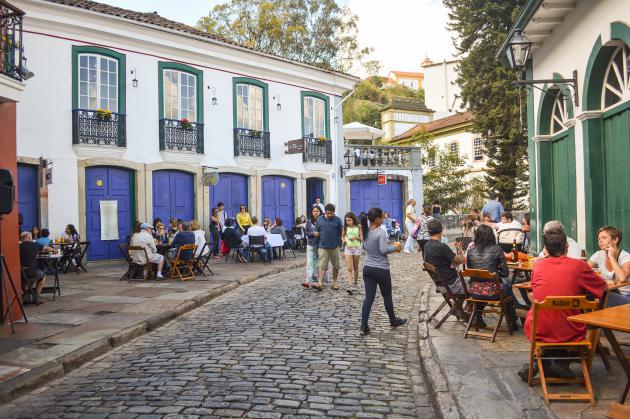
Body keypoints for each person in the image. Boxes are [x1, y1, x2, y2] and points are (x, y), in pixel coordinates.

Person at [518, 227, 607, 381]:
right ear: (567, 246)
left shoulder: (538, 266)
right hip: (572, 331)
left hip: (538, 329)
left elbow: (537, 289)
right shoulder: (579, 266)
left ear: (545, 249)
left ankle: (542, 363)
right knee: (569, 317)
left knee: (549, 317)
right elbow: (602, 287)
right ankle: (557, 362)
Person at [358, 208, 407, 336]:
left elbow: (365, 247)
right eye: (382, 217)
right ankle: (392, 320)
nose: (383, 219)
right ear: (377, 219)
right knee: (387, 296)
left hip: (368, 268)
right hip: (381, 269)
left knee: (369, 297)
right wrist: (396, 247)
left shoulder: (365, 231)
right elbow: (383, 250)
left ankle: (364, 325)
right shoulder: (381, 232)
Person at [465, 224, 518, 329]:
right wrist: (495, 271)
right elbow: (505, 273)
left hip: (474, 291)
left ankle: (478, 317)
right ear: (491, 236)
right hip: (493, 291)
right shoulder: (496, 249)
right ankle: (512, 321)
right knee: (508, 290)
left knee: (482, 285)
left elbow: (471, 269)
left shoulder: (470, 250)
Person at [423, 219, 468, 320]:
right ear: (441, 230)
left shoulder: (427, 246)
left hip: (440, 283)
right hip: (452, 284)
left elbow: (445, 261)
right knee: (475, 285)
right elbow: (462, 260)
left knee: (470, 283)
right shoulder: (441, 247)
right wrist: (460, 249)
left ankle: (458, 310)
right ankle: (469, 314)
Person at [587, 226, 630, 306]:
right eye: (599, 238)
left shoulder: (626, 257)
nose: (600, 241)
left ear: (615, 240)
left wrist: (611, 257)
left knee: (604, 297)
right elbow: (583, 272)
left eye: (604, 238)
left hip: (626, 297)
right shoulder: (598, 255)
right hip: (609, 292)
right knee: (588, 296)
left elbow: (622, 278)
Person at [314, 203, 343, 291]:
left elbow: (341, 232)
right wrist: (316, 236)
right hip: (323, 246)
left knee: (336, 265)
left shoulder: (338, 220)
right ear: (325, 212)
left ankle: (334, 283)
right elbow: (316, 231)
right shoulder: (320, 219)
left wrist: (340, 244)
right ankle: (320, 283)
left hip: (335, 246)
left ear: (334, 212)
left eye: (331, 213)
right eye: (328, 213)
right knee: (322, 266)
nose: (330, 215)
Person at [20, 231, 53, 304]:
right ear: (29, 237)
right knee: (43, 274)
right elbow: (47, 248)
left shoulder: (18, 246)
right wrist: (54, 250)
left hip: (20, 272)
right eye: (30, 236)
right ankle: (37, 296)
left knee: (26, 279)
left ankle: (27, 295)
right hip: (31, 272)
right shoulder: (34, 245)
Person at [303, 206, 327, 287]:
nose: (315, 212)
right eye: (314, 211)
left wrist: (320, 234)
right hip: (310, 245)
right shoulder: (309, 221)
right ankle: (307, 280)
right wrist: (313, 233)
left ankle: (318, 280)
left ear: (320, 212)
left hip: (320, 245)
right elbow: (306, 233)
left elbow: (326, 232)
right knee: (310, 262)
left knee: (318, 263)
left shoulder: (323, 221)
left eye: (317, 211)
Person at [342, 212, 362, 295]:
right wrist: (344, 241)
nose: (348, 222)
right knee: (349, 268)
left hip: (357, 248)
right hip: (348, 249)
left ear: (353, 219)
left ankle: (355, 283)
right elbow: (342, 236)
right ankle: (349, 286)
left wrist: (355, 237)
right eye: (346, 221)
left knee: (355, 267)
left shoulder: (359, 227)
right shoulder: (345, 227)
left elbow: (361, 238)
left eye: (349, 220)